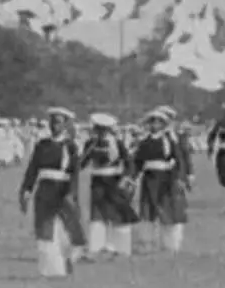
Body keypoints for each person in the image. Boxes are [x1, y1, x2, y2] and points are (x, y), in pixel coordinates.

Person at [20, 107, 86, 277]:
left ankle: (69, 258)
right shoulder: (42, 145)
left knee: (69, 228)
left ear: (65, 124)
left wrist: (71, 192)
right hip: (44, 190)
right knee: (44, 229)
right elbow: (32, 169)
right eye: (52, 122)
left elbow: (74, 172)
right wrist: (26, 189)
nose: (54, 125)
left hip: (63, 190)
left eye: (58, 122)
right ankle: (51, 269)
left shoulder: (70, 146)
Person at [79, 113, 136, 259]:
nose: (100, 133)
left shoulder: (117, 143)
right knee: (97, 214)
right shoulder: (91, 143)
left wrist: (127, 177)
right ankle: (96, 247)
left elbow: (128, 161)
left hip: (114, 181)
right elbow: (82, 162)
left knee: (118, 214)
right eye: (98, 129)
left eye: (103, 130)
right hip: (97, 181)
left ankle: (120, 247)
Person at [134, 109, 188, 253]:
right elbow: (137, 162)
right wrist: (131, 178)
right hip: (149, 179)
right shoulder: (144, 142)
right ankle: (146, 243)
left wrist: (180, 178)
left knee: (167, 211)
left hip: (166, 179)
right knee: (147, 212)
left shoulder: (169, 141)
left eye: (158, 122)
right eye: (152, 122)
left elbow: (179, 160)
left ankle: (170, 244)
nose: (155, 125)